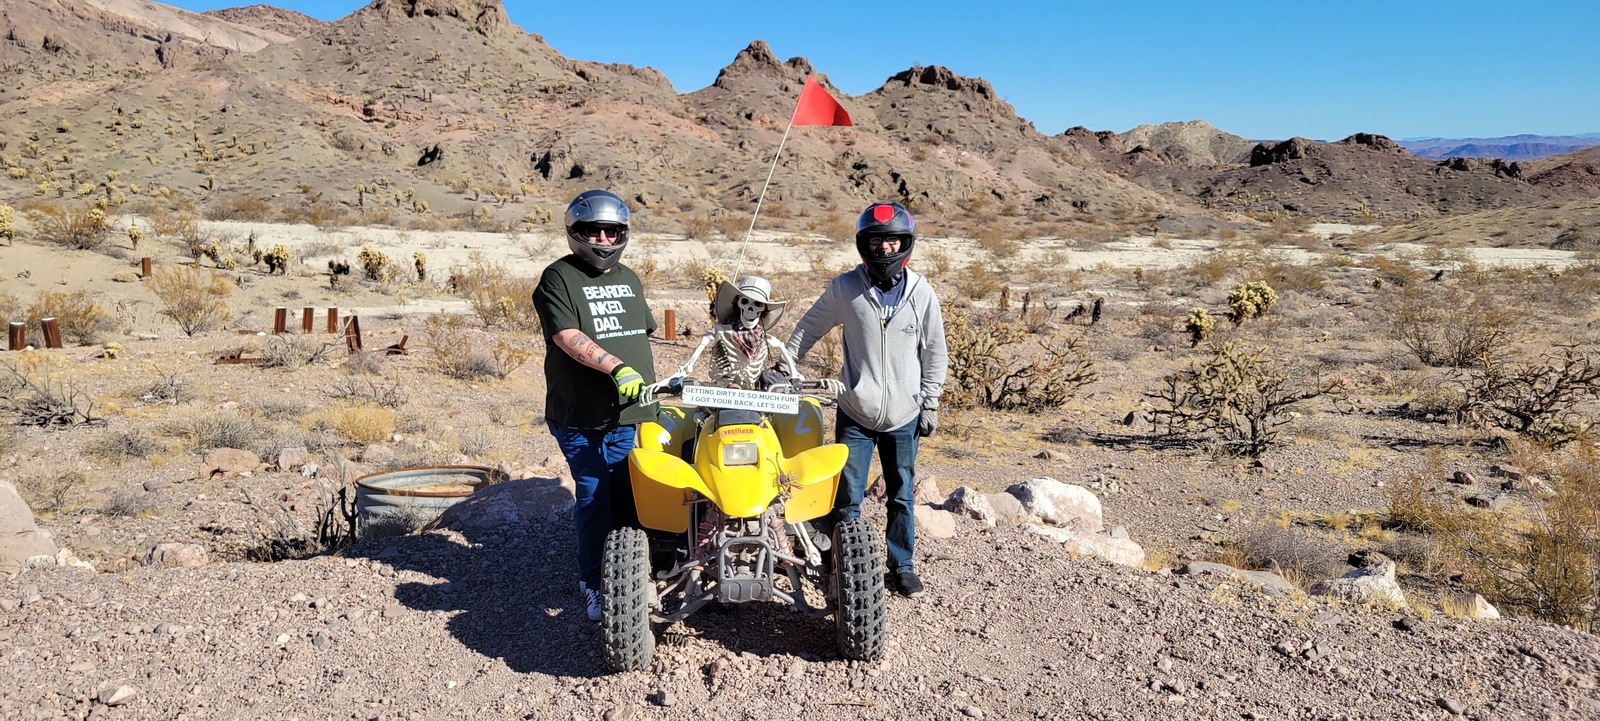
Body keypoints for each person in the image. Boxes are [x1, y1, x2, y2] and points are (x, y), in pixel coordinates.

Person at [785, 201, 947, 598]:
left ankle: (902, 564)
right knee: (847, 494)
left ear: (905, 244)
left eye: (893, 241)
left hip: (905, 415)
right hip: (855, 411)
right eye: (876, 241)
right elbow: (807, 329)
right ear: (864, 244)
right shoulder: (845, 289)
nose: (884, 249)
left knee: (902, 493)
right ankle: (840, 562)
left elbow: (935, 352)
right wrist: (784, 366)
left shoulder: (922, 292)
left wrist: (931, 401)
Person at [532, 189, 657, 621]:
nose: (603, 239)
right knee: (592, 495)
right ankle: (594, 584)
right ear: (575, 232)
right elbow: (566, 336)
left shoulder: (629, 278)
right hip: (579, 413)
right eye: (593, 231)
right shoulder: (558, 278)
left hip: (628, 412)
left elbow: (642, 333)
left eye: (612, 231)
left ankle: (630, 573)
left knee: (629, 493)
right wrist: (616, 368)